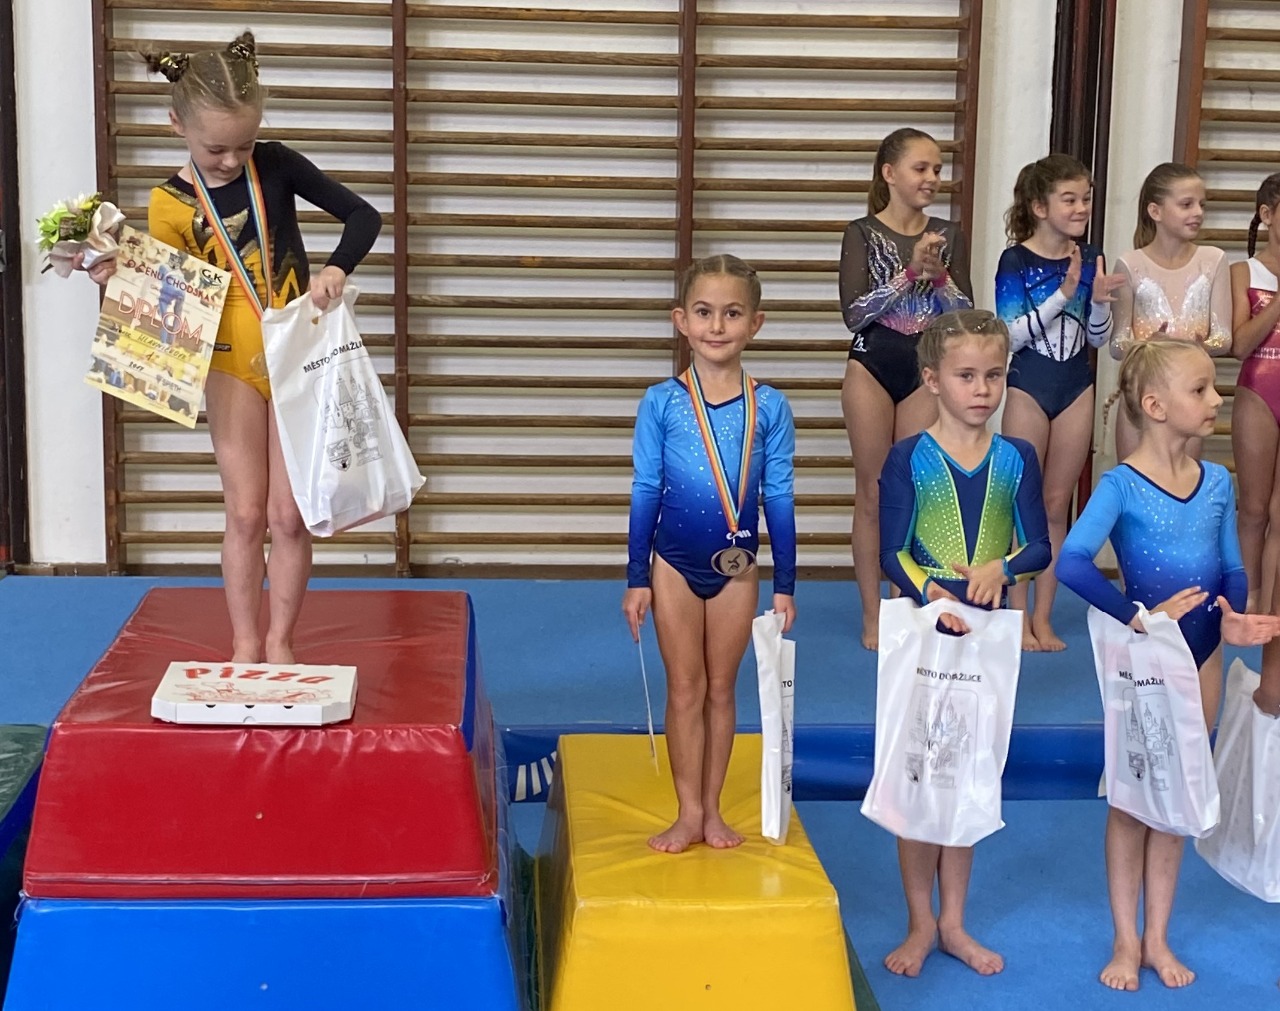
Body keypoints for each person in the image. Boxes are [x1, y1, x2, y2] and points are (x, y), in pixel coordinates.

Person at [85, 31, 381, 663]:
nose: (229, 160)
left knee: (289, 516)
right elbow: (171, 302)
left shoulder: (276, 165)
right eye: (215, 148)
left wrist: (337, 267)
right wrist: (120, 278)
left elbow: (364, 216)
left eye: (242, 145)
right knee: (246, 514)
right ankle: (245, 644)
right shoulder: (169, 203)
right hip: (229, 365)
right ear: (177, 125)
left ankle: (281, 642)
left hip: (298, 355)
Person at [1056, 339, 1280, 991]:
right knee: (1133, 800)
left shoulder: (1217, 482)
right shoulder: (1121, 485)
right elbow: (1072, 562)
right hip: (1147, 661)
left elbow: (1233, 565)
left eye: (1214, 387)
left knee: (1177, 797)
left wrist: (1232, 614)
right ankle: (1125, 939)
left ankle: (1157, 936)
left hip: (1203, 655)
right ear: (1155, 406)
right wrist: (1134, 615)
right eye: (1200, 389)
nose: (1216, 398)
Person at [878, 308, 1050, 977]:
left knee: (969, 775)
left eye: (994, 375)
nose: (983, 389)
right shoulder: (908, 457)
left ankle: (953, 921)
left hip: (984, 636)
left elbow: (1038, 546)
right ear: (932, 380)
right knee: (917, 776)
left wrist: (1002, 569)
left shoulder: (1016, 458)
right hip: (926, 631)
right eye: (966, 375)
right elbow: (892, 551)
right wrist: (933, 595)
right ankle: (920, 920)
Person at [622, 254, 797, 854]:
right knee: (684, 688)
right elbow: (646, 489)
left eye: (732, 314)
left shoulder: (769, 406)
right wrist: (636, 577)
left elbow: (779, 496)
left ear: (756, 323)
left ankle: (714, 808)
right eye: (704, 312)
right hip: (672, 563)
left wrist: (786, 584)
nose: (717, 326)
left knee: (722, 690)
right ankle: (688, 811)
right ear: (681, 320)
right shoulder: (661, 402)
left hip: (738, 568)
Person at [840, 127, 974, 650]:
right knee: (872, 492)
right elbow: (854, 314)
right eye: (921, 168)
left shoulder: (948, 234)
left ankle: (905, 603)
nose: (933, 178)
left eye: (938, 169)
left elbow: (964, 316)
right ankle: (872, 612)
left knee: (912, 493)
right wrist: (908, 272)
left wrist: (938, 276)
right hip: (872, 365)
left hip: (925, 369)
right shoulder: (861, 232)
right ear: (889, 173)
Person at [996, 154, 1124, 651]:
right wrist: (1064, 293)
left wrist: (1098, 302)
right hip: (1029, 384)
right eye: (1069, 199)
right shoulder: (1016, 261)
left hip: (1075, 386)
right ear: (1039, 206)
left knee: (1056, 505)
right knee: (1022, 504)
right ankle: (1015, 616)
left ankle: (1043, 617)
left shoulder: (1092, 257)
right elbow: (1010, 337)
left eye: (1086, 198)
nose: (1081, 208)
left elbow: (1096, 338)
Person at [1109, 163, 1232, 460]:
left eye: (1202, 204)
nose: (1198, 212)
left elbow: (1224, 337)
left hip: (1188, 398)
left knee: (1183, 480)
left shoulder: (1213, 260)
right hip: (1140, 394)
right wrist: (1147, 345)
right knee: (1136, 481)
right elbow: (1117, 343)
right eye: (1186, 204)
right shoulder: (1130, 264)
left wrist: (1195, 346)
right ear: (1155, 211)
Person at [1229, 173, 1280, 611]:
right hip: (1259, 392)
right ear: (1267, 214)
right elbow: (1240, 344)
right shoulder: (1244, 271)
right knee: (1254, 509)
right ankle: (1249, 599)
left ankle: (1271, 608)